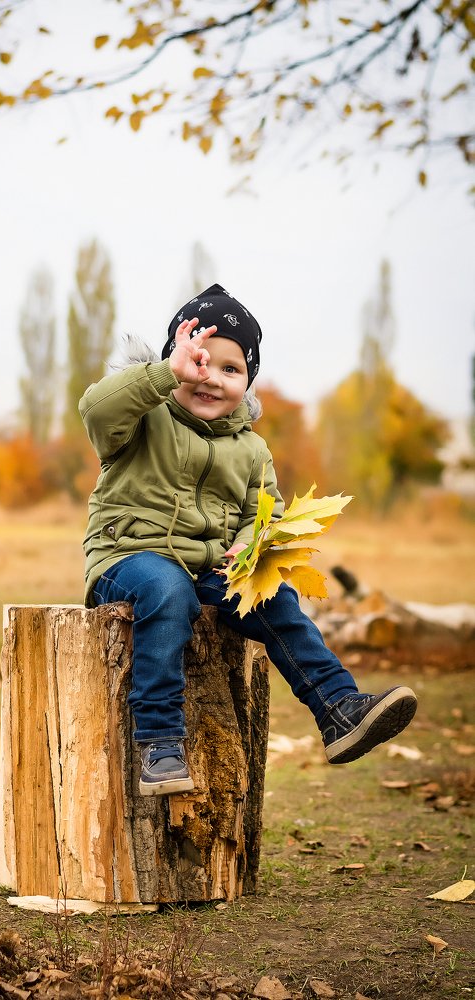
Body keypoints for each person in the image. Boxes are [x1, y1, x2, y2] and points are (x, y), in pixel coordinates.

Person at [79, 283, 417, 796]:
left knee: (276, 596)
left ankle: (338, 710)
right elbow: (95, 408)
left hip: (210, 570)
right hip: (128, 560)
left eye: (230, 368)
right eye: (198, 360)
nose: (210, 377)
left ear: (248, 381)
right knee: (166, 589)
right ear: (175, 359)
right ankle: (159, 740)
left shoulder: (252, 448)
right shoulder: (141, 419)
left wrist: (250, 544)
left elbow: (266, 513)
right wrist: (163, 374)